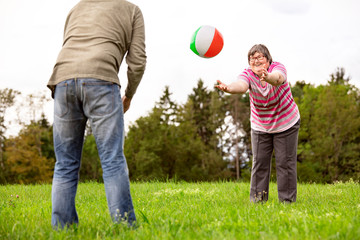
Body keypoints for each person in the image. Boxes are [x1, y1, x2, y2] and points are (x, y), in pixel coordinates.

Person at [47, 0, 146, 228]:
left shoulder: (76, 8)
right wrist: (129, 95)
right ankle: (125, 227)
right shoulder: (132, 10)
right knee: (112, 160)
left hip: (62, 80)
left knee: (65, 164)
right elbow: (138, 62)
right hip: (101, 79)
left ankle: (62, 229)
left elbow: (68, 44)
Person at [215, 44, 300, 203]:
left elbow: (278, 78)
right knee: (259, 163)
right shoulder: (248, 74)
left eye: (259, 57)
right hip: (261, 126)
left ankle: (287, 202)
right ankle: (257, 201)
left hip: (286, 123)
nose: (256, 60)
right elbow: (240, 86)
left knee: (285, 164)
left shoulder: (277, 68)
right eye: (252, 58)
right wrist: (229, 88)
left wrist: (267, 77)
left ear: (268, 60)